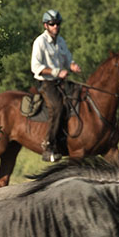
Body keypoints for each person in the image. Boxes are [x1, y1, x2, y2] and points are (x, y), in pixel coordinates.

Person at [31, 9, 81, 162]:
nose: (56, 27)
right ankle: (48, 146)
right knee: (57, 107)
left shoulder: (61, 41)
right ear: (46, 25)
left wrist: (72, 66)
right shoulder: (40, 42)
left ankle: (67, 139)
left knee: (79, 99)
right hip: (46, 83)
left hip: (60, 81)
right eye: (52, 24)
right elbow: (36, 66)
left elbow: (68, 59)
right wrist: (56, 72)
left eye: (58, 24)